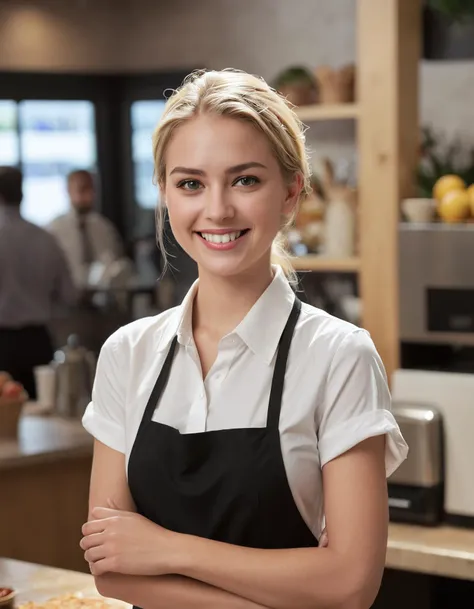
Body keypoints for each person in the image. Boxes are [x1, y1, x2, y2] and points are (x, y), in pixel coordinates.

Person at [80, 69, 408, 609]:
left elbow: (350, 583)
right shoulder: (128, 354)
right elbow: (112, 569)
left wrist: (167, 549)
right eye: (190, 183)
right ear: (164, 193)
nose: (217, 210)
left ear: (290, 192)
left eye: (245, 180)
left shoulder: (338, 356)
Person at [0, 167, 77, 399]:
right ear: (22, 194)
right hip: (37, 342)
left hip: (2, 342)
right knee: (42, 417)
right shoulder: (46, 239)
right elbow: (69, 294)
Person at [48, 170, 124, 288]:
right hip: (68, 294)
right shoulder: (55, 229)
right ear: (69, 191)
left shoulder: (103, 227)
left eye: (91, 189)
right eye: (82, 189)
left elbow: (113, 260)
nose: (88, 196)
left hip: (102, 294)